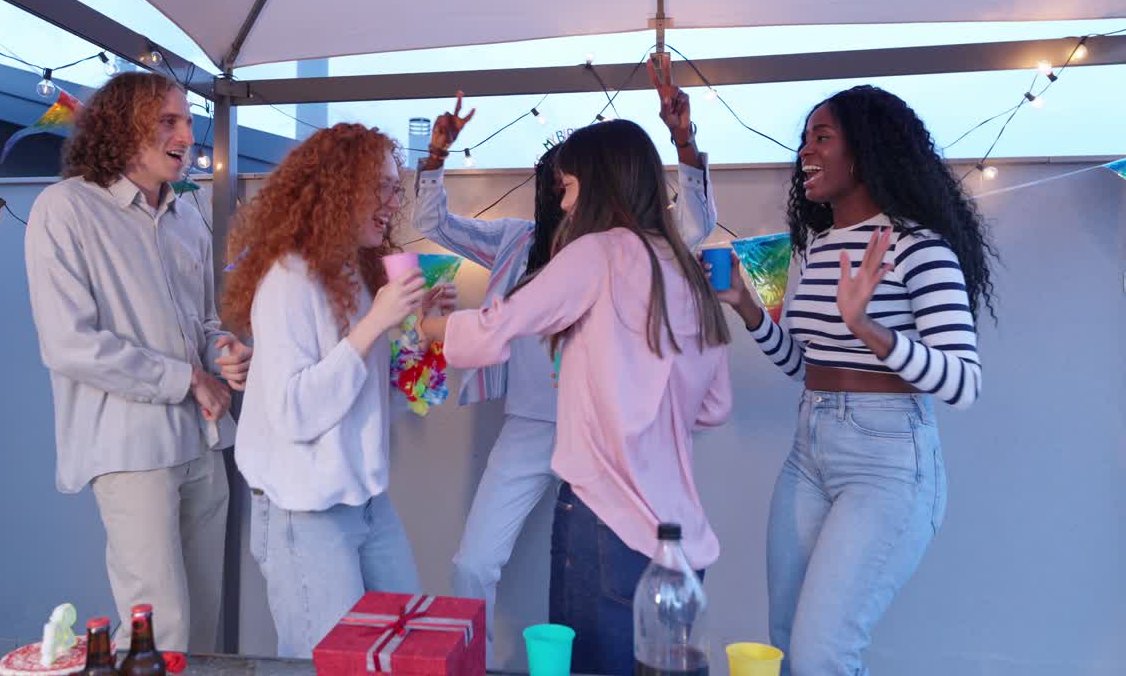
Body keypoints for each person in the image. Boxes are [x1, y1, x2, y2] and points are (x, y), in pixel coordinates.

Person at [414, 77, 718, 664]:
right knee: (475, 562)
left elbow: (697, 227)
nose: (562, 198)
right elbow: (438, 224)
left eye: (570, 183)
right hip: (533, 425)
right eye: (555, 187)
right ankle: (473, 661)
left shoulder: (628, 248)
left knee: (614, 576)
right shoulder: (519, 242)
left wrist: (685, 144)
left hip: (606, 433)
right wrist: (435, 158)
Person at [713, 85, 996, 675]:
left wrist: (869, 327)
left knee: (823, 654)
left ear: (865, 152)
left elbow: (962, 382)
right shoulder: (816, 249)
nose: (805, 153)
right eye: (803, 140)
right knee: (787, 644)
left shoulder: (920, 248)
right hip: (809, 450)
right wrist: (746, 308)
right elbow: (803, 365)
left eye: (822, 138)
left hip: (889, 464)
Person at [24, 71, 251, 653]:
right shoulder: (65, 209)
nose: (187, 133)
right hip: (130, 447)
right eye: (168, 120)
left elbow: (201, 322)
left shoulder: (187, 218)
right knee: (161, 625)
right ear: (121, 127)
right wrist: (187, 379)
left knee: (202, 624)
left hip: (202, 441)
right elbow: (69, 343)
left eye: (188, 120)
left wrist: (222, 352)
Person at [221, 123, 456, 657]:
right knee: (326, 666)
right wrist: (375, 323)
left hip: (367, 503)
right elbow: (295, 415)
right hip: (304, 512)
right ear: (337, 188)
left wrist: (423, 333)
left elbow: (390, 405)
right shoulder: (289, 280)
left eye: (395, 189)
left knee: (406, 651)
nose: (393, 203)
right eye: (381, 187)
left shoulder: (358, 273)